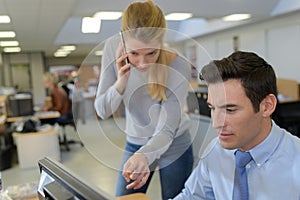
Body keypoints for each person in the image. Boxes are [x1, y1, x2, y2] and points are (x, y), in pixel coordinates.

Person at [94, 1, 194, 199]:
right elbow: (102, 110)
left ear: (161, 42)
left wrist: (145, 155)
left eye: (151, 53)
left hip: (174, 143)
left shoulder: (178, 65)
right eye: (134, 53)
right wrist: (120, 84)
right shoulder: (112, 48)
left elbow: (166, 129)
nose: (142, 63)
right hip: (136, 140)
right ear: (123, 41)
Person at [172, 51, 300, 199]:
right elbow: (192, 196)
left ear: (267, 106)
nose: (216, 124)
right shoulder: (216, 151)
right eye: (213, 108)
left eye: (230, 110)